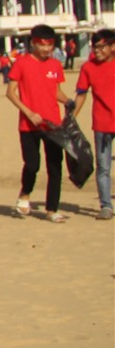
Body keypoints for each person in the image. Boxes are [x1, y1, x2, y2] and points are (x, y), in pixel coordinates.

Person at [5, 24, 69, 222]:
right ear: (33, 43)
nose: (47, 49)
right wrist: (29, 113)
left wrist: (68, 101)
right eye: (42, 45)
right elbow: (11, 93)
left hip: (53, 124)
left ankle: (52, 209)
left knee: (55, 167)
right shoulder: (21, 63)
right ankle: (25, 195)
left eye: (50, 45)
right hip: (29, 124)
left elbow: (55, 91)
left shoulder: (55, 65)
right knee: (32, 165)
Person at [71, 28, 115, 220]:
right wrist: (71, 117)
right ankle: (106, 206)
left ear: (112, 47)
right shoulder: (88, 67)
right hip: (102, 123)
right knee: (103, 167)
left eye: (101, 46)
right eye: (94, 46)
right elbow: (81, 94)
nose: (96, 50)